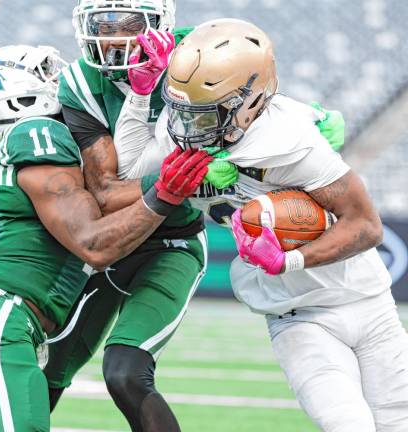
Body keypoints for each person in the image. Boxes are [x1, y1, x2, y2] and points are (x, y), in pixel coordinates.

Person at [112, 18, 408, 432]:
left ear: (251, 104)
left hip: (367, 301)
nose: (186, 128)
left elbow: (366, 227)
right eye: (181, 110)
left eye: (202, 115)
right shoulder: (190, 124)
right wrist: (141, 98)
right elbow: (126, 171)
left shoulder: (293, 141)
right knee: (349, 424)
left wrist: (288, 260)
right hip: (297, 315)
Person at [0, 44, 211, 432]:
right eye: (46, 73)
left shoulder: (42, 143)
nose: (59, 79)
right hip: (0, 315)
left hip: (21, 320)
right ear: (19, 95)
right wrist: (164, 191)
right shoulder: (38, 132)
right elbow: (94, 243)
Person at [44, 2, 229, 431]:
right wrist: (176, 183)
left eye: (127, 23)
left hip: (173, 242)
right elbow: (107, 192)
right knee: (47, 369)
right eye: (102, 24)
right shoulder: (80, 82)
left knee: (126, 373)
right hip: (109, 241)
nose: (112, 35)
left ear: (160, 22)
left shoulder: (200, 56)